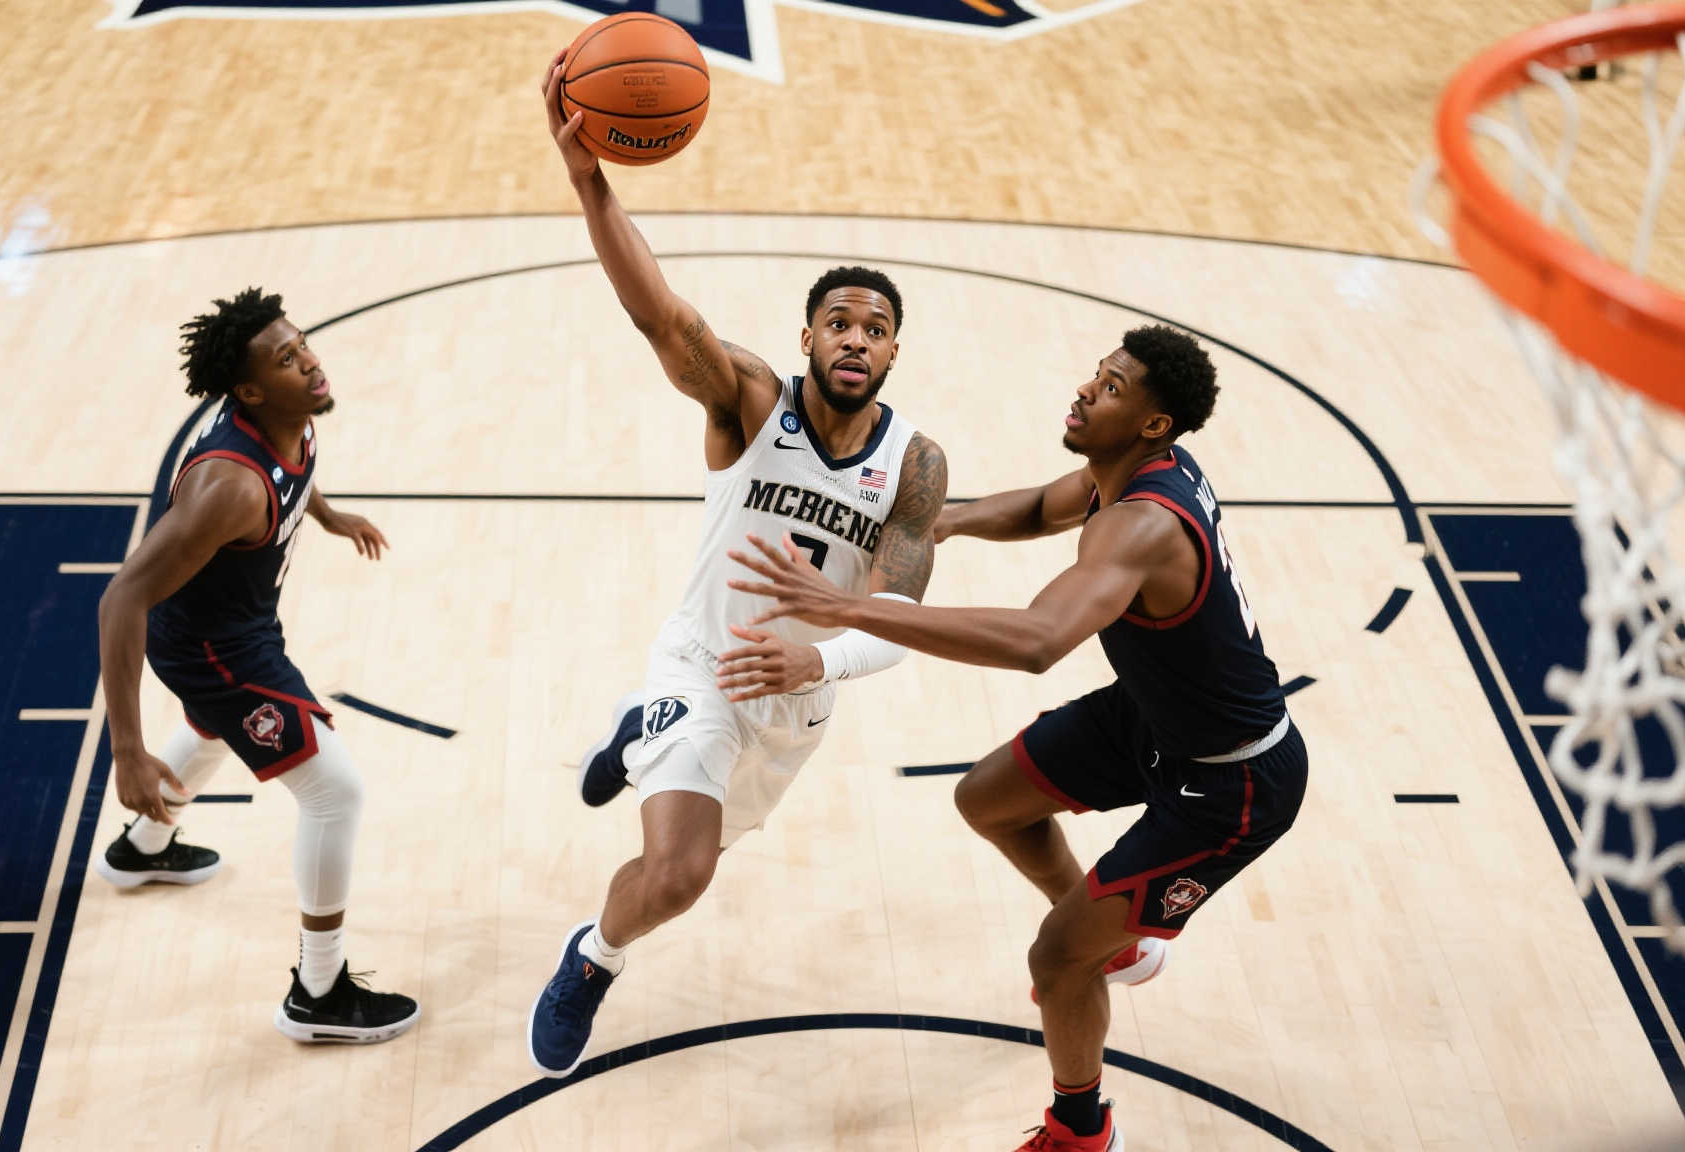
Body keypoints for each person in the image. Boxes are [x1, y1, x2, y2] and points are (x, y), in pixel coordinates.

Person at [729, 326, 1307, 1151]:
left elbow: (1038, 641)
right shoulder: (1130, 470)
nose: (1086, 389)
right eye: (1097, 374)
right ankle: (1118, 945)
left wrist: (854, 607)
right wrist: (942, 524)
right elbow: (1042, 507)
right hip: (1154, 718)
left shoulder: (1143, 524)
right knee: (990, 799)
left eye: (1111, 388)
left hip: (1230, 783)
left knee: (1056, 959)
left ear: (1152, 423)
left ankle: (1081, 1131)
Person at [526, 50, 950, 1078]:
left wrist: (820, 661)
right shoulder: (750, 400)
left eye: (876, 329)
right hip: (703, 667)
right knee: (677, 877)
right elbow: (660, 314)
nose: (856, 339)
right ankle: (593, 956)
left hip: (795, 703)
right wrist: (589, 182)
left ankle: (635, 733)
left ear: (894, 353)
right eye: (839, 322)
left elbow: (898, 617)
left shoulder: (916, 465)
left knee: (699, 850)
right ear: (808, 336)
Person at [95, 288, 419, 1045]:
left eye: (302, 345)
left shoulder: (289, 417)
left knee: (215, 730)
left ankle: (141, 850)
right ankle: (318, 994)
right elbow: (121, 598)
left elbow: (293, 474)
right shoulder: (231, 488)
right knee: (335, 792)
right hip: (214, 647)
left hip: (234, 624)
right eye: (286, 359)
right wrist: (126, 750)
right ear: (248, 391)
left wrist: (328, 515)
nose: (309, 363)